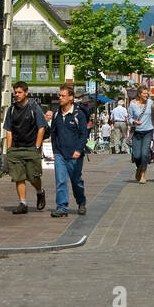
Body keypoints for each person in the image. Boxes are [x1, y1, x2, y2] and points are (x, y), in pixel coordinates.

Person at [4, 80, 47, 214]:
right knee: (18, 177)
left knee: (33, 176)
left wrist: (37, 146)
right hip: (16, 148)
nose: (16, 95)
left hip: (30, 147)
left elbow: (41, 128)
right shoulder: (11, 110)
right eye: (15, 92)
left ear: (26, 93)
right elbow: (9, 130)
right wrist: (9, 149)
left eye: (19, 92)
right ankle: (23, 203)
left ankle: (40, 192)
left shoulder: (34, 108)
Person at [49, 80, 89, 217]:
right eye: (59, 95)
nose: (60, 98)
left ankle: (81, 202)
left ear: (71, 97)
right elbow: (53, 133)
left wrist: (79, 150)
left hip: (74, 154)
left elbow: (84, 134)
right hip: (60, 153)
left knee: (76, 181)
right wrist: (55, 150)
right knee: (60, 181)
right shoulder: (56, 115)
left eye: (63, 95)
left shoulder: (78, 115)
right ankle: (62, 207)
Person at [128, 84, 154, 183]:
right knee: (137, 156)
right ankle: (138, 168)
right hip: (136, 132)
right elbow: (129, 118)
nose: (146, 95)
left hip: (148, 131)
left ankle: (143, 175)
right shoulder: (132, 104)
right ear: (139, 94)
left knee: (144, 154)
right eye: (144, 93)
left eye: (146, 93)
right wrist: (134, 122)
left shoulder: (150, 103)